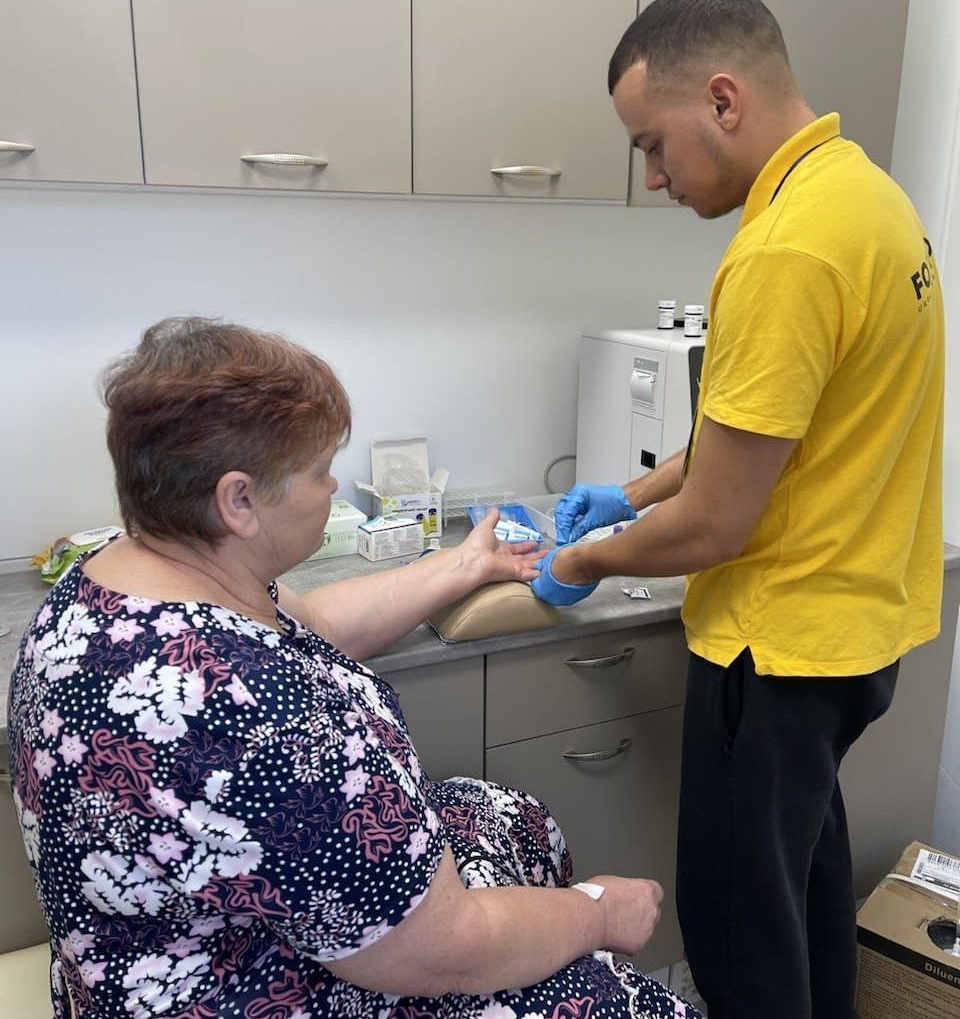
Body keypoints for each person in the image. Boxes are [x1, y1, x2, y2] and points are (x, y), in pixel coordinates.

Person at [8, 317, 702, 1019]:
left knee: (506, 816)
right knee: (618, 998)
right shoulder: (255, 712)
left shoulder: (115, 585)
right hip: (251, 991)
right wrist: (595, 913)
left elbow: (315, 625)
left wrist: (460, 565)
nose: (333, 489)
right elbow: (441, 948)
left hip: (151, 956)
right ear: (238, 500)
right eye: (319, 473)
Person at [531, 0, 945, 1019]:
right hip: (854, 637)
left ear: (722, 98)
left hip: (775, 645)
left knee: (737, 932)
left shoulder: (784, 250)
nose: (657, 175)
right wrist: (625, 497)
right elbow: (751, 431)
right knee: (801, 887)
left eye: (653, 144)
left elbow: (720, 520)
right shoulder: (866, 200)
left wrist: (578, 561)